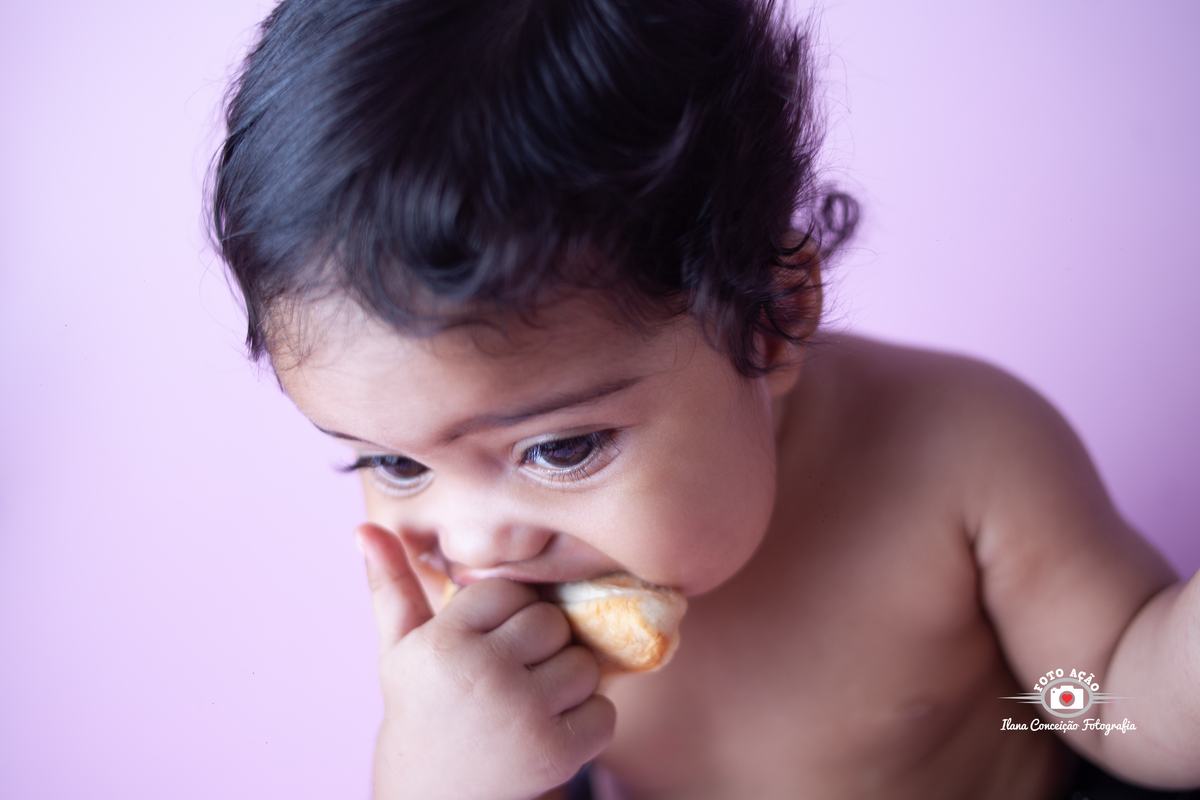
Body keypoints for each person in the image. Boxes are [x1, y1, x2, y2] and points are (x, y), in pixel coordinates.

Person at [208, 0, 1200, 797]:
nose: (468, 544)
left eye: (561, 448)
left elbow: (1116, 698)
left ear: (767, 321)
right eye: (395, 461)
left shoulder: (960, 453)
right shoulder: (480, 616)